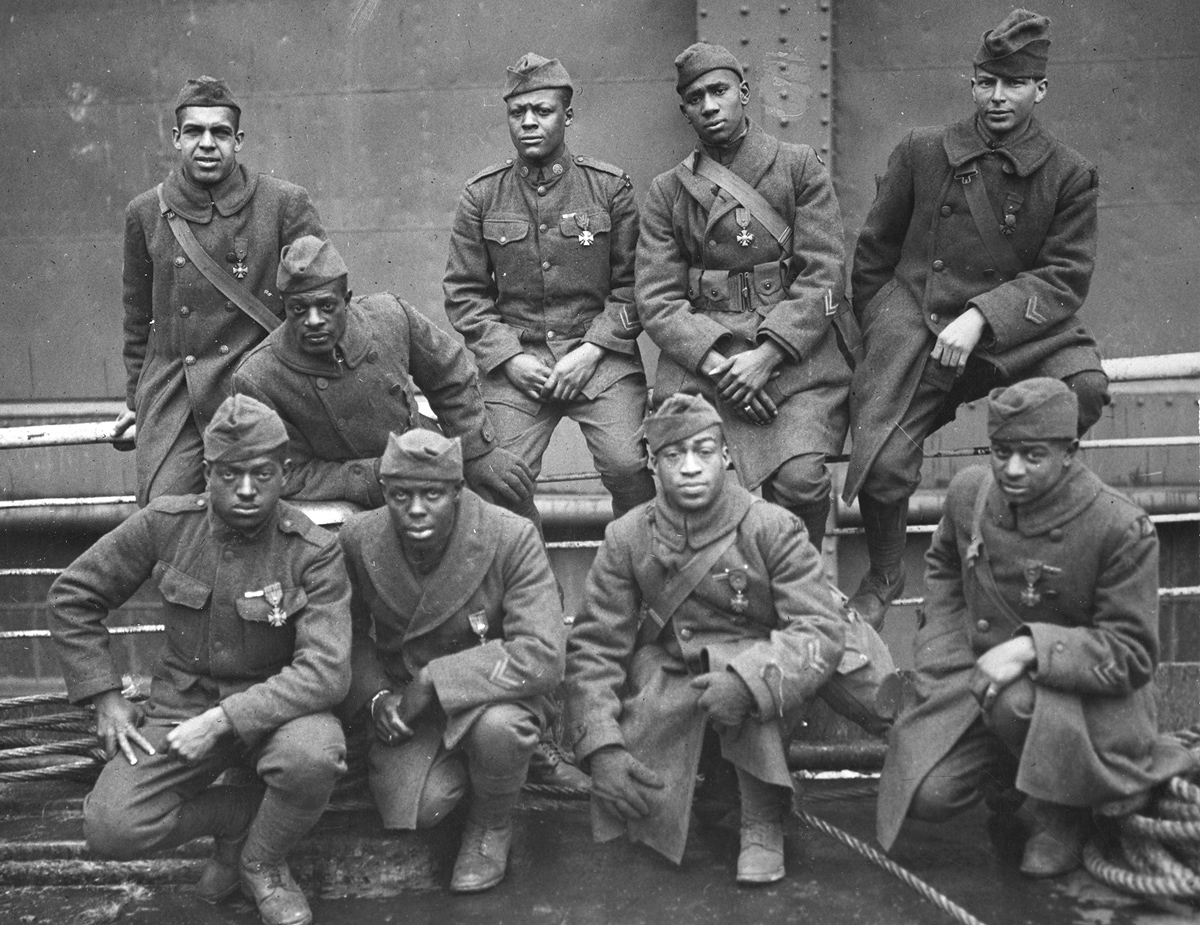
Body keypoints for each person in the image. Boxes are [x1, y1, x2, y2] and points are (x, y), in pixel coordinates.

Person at [844, 9, 1111, 627]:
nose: (997, 98)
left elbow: (1064, 276)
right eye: (986, 82)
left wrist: (981, 318)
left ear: (1039, 90)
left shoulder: (1068, 174)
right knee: (883, 465)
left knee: (1085, 389)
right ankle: (885, 570)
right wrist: (888, 331)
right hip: (923, 329)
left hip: (1020, 332)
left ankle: (1013, 525)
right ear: (972, 84)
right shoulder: (922, 152)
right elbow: (873, 256)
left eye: (1013, 84)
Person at [49, 394, 351, 925]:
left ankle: (263, 862)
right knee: (111, 827)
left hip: (275, 716)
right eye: (231, 475)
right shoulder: (166, 525)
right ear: (208, 473)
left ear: (285, 472)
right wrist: (106, 698)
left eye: (262, 474)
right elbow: (73, 596)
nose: (248, 490)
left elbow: (326, 672)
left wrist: (224, 720)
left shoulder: (312, 550)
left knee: (313, 755)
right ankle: (238, 822)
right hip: (179, 710)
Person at [876, 379, 1194, 877]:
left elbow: (1131, 654)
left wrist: (1029, 648)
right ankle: (1017, 778)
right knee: (927, 796)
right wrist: (941, 650)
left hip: (1084, 703)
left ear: (1070, 451)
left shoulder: (1119, 527)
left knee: (1015, 701)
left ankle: (1062, 816)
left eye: (1033, 455)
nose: (1013, 469)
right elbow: (943, 565)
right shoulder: (971, 495)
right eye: (1002, 452)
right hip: (978, 680)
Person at [563, 394, 849, 883]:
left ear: (727, 456)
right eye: (674, 455)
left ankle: (762, 819)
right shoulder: (628, 535)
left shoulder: (770, 525)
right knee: (644, 819)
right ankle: (708, 796)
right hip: (673, 673)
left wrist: (748, 684)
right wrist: (601, 747)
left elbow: (819, 627)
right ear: (653, 464)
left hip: (764, 668)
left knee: (744, 673)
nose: (690, 468)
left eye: (703, 451)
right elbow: (595, 647)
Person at [636, 42, 852, 554]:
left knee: (801, 481)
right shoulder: (668, 191)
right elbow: (656, 298)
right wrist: (721, 364)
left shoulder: (797, 167)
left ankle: (802, 584)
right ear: (684, 109)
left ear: (743, 93)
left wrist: (769, 355)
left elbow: (824, 274)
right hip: (706, 363)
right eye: (696, 97)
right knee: (693, 487)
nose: (710, 106)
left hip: (794, 360)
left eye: (719, 91)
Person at [339, 429, 566, 893]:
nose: (416, 509)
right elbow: (346, 634)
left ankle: (492, 823)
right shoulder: (359, 538)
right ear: (385, 493)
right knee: (424, 809)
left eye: (433, 494)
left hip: (494, 694)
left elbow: (543, 654)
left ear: (458, 492)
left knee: (499, 730)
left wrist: (436, 679)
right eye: (401, 495)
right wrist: (376, 696)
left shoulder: (509, 535)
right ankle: (485, 774)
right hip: (409, 708)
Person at [443, 53, 656, 523]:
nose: (529, 123)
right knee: (499, 478)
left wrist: (592, 350)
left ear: (567, 116)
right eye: (518, 113)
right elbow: (464, 293)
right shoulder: (482, 195)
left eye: (542, 111)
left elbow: (635, 286)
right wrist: (510, 358)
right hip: (519, 360)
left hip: (599, 359)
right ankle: (530, 587)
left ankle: (640, 579)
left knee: (628, 466)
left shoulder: (609, 189)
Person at [117, 76, 326, 508]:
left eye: (221, 132)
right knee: (164, 513)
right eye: (194, 131)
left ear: (239, 140)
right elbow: (139, 322)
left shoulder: (284, 203)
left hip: (260, 390)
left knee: (261, 507)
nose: (207, 143)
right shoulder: (145, 212)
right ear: (176, 138)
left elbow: (322, 301)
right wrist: (136, 401)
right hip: (178, 397)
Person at [233, 235, 535, 516]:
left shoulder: (389, 316)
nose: (313, 321)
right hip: (357, 495)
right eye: (298, 309)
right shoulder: (259, 377)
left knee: (508, 496)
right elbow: (288, 473)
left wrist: (476, 451)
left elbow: (450, 375)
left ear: (347, 300)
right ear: (284, 308)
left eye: (326, 306)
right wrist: (378, 473)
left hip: (426, 456)